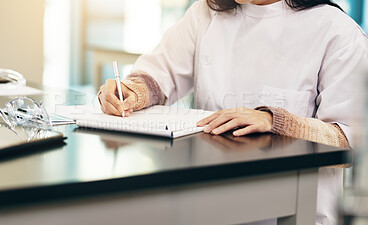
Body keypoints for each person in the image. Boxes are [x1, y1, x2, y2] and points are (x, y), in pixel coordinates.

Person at [98, 0, 368, 224]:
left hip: (298, 214)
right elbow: (159, 75)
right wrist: (132, 92)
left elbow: (351, 140)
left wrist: (277, 122)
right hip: (209, 206)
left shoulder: (337, 32)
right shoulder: (206, 13)